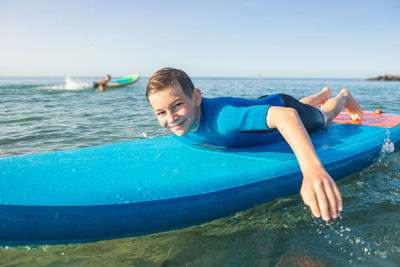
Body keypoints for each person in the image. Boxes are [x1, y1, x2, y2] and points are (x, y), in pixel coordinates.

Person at [146, 67, 363, 222]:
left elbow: (286, 116)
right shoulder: (183, 123)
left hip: (281, 107)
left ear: (196, 97)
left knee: (322, 119)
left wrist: (312, 169)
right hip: (266, 103)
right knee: (301, 108)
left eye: (177, 105)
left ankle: (342, 97)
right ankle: (322, 94)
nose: (171, 117)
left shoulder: (224, 121)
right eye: (161, 112)